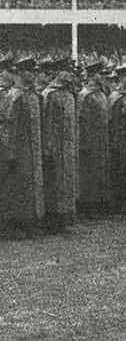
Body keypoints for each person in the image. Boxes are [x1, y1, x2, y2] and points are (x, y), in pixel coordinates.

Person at [0, 61, 44, 239]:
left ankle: (28, 221)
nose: (33, 74)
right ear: (21, 73)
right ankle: (12, 224)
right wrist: (8, 151)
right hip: (17, 149)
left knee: (30, 186)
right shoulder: (14, 96)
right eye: (29, 71)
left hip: (32, 148)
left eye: (34, 71)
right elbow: (7, 125)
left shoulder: (33, 95)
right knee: (15, 188)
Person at [41, 62, 78, 233]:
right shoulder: (50, 94)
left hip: (68, 144)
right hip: (55, 144)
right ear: (58, 73)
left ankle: (65, 216)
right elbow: (46, 121)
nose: (70, 76)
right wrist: (48, 146)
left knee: (67, 182)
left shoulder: (70, 94)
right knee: (55, 182)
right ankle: (53, 219)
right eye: (66, 72)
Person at [77, 62, 111, 217]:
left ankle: (99, 202)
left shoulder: (102, 94)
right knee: (88, 171)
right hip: (89, 138)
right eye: (99, 74)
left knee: (100, 170)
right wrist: (83, 140)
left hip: (101, 138)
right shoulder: (85, 95)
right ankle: (87, 205)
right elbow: (81, 119)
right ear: (92, 76)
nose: (102, 77)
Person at [108, 64, 126, 214]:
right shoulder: (115, 97)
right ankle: (119, 202)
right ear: (122, 78)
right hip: (118, 137)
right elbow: (111, 120)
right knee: (119, 169)